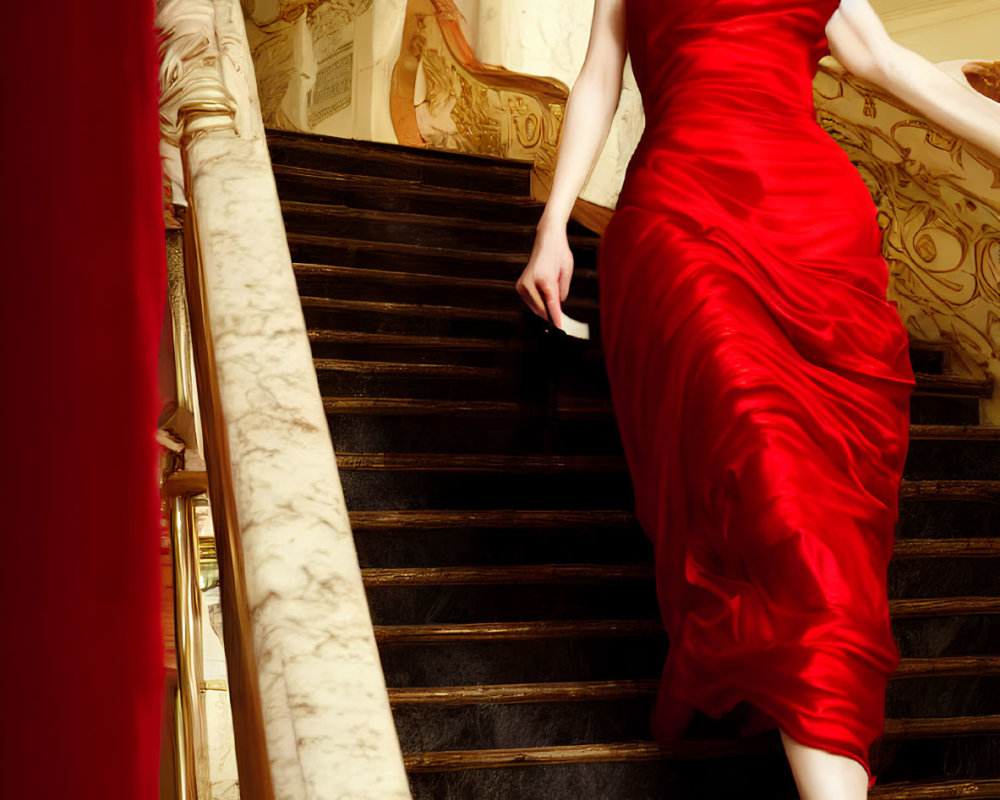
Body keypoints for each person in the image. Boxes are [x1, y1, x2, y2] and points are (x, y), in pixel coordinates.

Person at [516, 1, 1000, 798]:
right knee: (766, 464)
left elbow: (882, 60)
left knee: (825, 521)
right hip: (682, 219)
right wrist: (554, 224)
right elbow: (601, 74)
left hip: (815, 229)